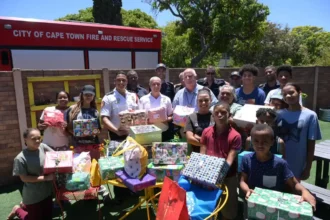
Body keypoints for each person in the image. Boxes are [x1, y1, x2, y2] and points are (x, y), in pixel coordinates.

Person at [240, 124, 316, 215]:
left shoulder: (280, 163)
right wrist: (247, 190)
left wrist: (304, 191)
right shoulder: (246, 159)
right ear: (251, 141)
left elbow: (294, 183)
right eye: (256, 141)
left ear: (272, 142)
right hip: (252, 204)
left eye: (264, 141)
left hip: (274, 207)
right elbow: (242, 181)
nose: (260, 144)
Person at [200, 102, 242, 220]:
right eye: (216, 112)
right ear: (212, 115)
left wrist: (219, 175)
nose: (220, 115)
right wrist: (200, 170)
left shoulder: (235, 136)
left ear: (229, 114)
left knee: (228, 206)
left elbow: (230, 159)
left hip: (228, 175)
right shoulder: (206, 132)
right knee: (209, 205)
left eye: (223, 112)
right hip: (208, 174)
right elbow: (202, 154)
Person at [276, 83, 322, 181]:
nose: (288, 96)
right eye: (285, 94)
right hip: (278, 158)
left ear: (299, 92)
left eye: (291, 92)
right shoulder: (278, 114)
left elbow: (311, 144)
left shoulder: (310, 115)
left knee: (294, 190)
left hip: (297, 161)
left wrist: (308, 167)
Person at [9, 128, 54, 220]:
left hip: (47, 192)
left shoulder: (42, 147)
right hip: (33, 196)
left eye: (39, 138)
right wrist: (46, 178)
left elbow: (56, 155)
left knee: (47, 216)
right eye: (33, 138)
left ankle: (24, 206)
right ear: (25, 139)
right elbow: (24, 178)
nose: (37, 141)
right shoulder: (20, 158)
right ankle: (17, 210)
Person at [101, 71, 139, 141]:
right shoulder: (108, 97)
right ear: (114, 82)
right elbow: (104, 118)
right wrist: (117, 131)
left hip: (134, 134)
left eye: (123, 80)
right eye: (118, 80)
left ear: (127, 82)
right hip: (116, 135)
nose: (121, 82)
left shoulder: (133, 95)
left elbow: (139, 114)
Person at [139, 76, 173, 141]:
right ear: (150, 85)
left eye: (158, 84)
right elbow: (140, 117)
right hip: (148, 132)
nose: (156, 86)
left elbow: (170, 115)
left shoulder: (167, 99)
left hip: (164, 132)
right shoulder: (143, 100)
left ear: (161, 85)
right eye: (153, 84)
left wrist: (164, 119)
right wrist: (148, 121)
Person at [185, 88, 215, 153]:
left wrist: (199, 138)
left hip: (214, 153)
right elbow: (190, 139)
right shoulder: (191, 117)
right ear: (197, 101)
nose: (203, 103)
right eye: (200, 100)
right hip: (197, 154)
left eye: (206, 100)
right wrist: (208, 144)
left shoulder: (216, 115)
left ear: (211, 100)